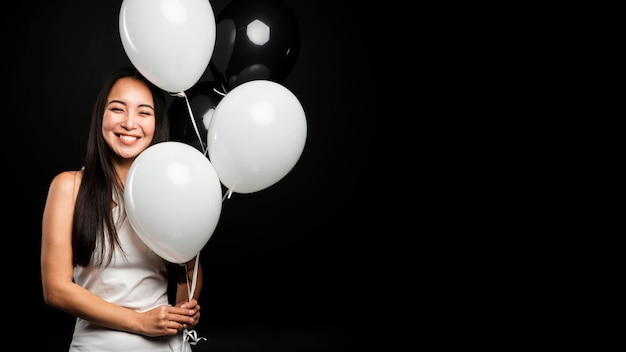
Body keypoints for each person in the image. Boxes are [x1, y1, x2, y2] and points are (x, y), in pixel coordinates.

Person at [41, 66, 203, 351]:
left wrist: (183, 311)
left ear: (157, 123)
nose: (130, 123)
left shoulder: (171, 191)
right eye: (118, 109)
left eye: (144, 112)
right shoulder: (69, 187)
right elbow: (55, 289)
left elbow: (187, 272)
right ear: (101, 116)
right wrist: (140, 321)